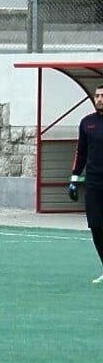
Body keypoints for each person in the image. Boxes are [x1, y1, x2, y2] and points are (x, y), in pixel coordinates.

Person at [68, 84, 103, 283]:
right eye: (97, 96)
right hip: (93, 183)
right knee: (96, 226)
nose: (99, 99)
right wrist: (74, 178)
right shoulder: (87, 123)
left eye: (102, 96)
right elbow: (80, 152)